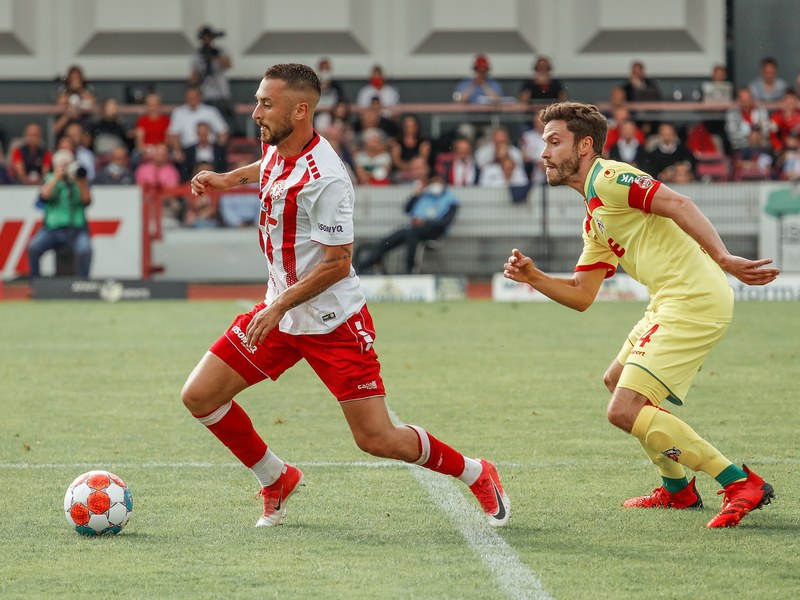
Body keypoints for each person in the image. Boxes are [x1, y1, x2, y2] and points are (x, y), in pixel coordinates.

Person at [184, 63, 509, 528]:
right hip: (281, 311)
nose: (256, 112)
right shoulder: (276, 142)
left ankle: (476, 472)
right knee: (200, 396)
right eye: (257, 101)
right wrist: (227, 178)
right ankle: (276, 477)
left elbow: (337, 263)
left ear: (300, 111)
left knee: (377, 438)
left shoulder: (327, 178)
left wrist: (278, 306)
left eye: (266, 104)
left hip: (332, 322)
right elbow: (268, 167)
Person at [503, 101, 779, 529]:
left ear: (584, 146)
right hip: (670, 300)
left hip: (693, 299)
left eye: (555, 142)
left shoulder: (609, 177)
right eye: (545, 143)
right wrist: (533, 277)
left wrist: (723, 257)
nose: (544, 153)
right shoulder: (594, 217)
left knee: (623, 409)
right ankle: (677, 489)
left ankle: (739, 482)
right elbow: (582, 295)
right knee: (615, 381)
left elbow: (678, 203)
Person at [357, 156, 459, 274]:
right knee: (399, 235)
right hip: (414, 229)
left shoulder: (451, 199)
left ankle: (410, 270)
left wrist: (425, 222)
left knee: (411, 234)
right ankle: (366, 264)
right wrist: (416, 195)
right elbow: (407, 209)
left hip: (433, 231)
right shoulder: (425, 194)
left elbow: (445, 222)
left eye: (438, 181)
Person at [27, 148, 92, 278]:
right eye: (62, 165)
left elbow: (86, 201)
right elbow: (44, 197)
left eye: (67, 165)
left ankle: (83, 283)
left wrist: (82, 181)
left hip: (76, 229)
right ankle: (35, 282)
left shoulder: (78, 180)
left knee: (85, 250)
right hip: (52, 230)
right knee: (33, 248)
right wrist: (57, 178)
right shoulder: (50, 178)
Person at [190, 25, 236, 132]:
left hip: (221, 94)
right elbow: (193, 78)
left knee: (224, 125)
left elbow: (228, 65)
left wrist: (215, 55)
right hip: (206, 95)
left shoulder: (220, 51)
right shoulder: (198, 55)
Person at [167, 85, 229, 163]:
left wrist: (218, 150)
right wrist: (178, 151)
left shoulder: (211, 111)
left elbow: (223, 132)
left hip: (209, 150)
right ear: (185, 97)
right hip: (188, 152)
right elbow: (174, 135)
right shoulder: (178, 112)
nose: (192, 99)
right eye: (189, 97)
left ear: (200, 97)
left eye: (194, 97)